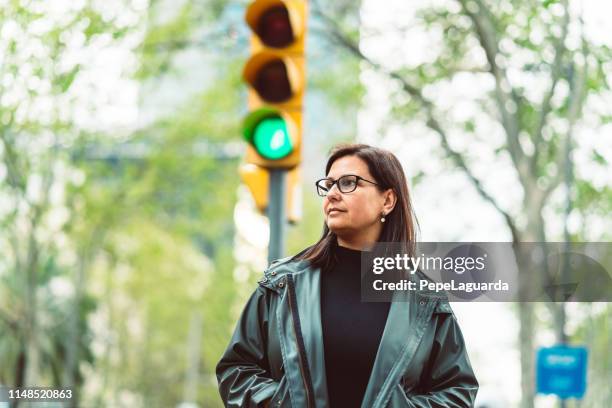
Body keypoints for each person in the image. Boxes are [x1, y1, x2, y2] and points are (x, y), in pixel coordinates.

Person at [216, 143, 479, 407]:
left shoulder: (425, 301)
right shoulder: (282, 284)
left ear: (387, 201)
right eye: (328, 185)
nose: (332, 194)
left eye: (348, 183)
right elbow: (237, 370)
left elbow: (457, 391)